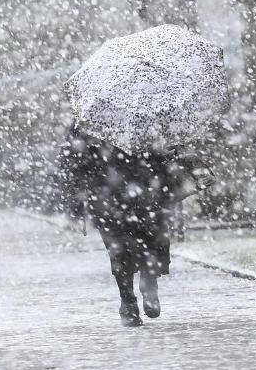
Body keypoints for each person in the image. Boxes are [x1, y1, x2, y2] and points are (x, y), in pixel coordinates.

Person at [58, 124, 212, 327]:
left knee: (143, 244)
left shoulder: (90, 121)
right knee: (124, 249)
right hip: (119, 197)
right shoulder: (92, 124)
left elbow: (74, 164)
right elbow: (75, 164)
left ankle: (141, 291)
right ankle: (130, 298)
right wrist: (75, 205)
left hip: (136, 195)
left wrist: (170, 153)